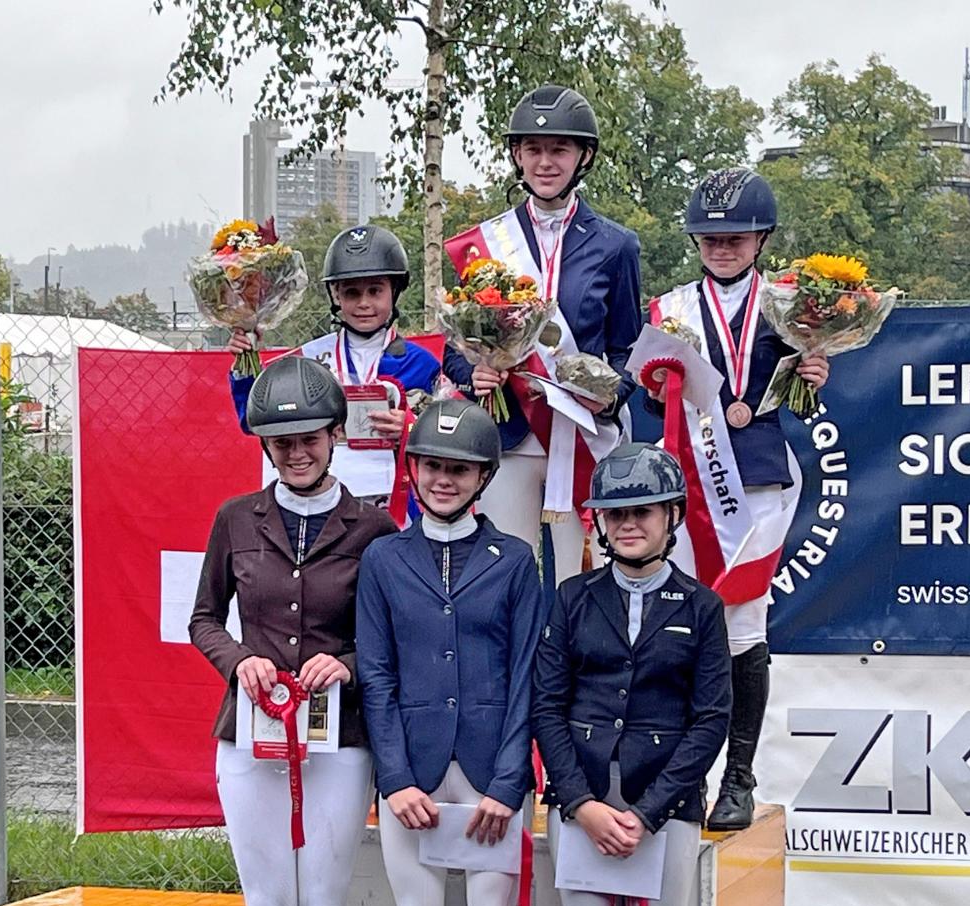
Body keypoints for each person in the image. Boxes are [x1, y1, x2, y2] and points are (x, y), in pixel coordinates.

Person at [189, 354, 397, 906]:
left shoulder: (374, 529)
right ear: (265, 448)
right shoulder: (235, 520)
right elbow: (203, 618)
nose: (296, 453)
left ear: (335, 437)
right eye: (280, 443)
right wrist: (237, 656)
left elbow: (383, 637)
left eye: (308, 438)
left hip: (337, 746)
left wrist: (342, 661)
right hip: (251, 742)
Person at [531, 443, 730, 906]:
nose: (626, 525)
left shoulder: (701, 608)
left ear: (670, 516)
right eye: (614, 514)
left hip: (662, 808)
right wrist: (580, 804)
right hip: (583, 803)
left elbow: (709, 719)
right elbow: (547, 706)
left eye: (640, 511)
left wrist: (644, 814)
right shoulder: (573, 598)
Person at [357, 398, 545, 906]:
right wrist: (394, 778)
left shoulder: (516, 561)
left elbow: (533, 671)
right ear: (413, 469)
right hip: (414, 781)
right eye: (431, 465)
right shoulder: (383, 560)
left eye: (457, 468)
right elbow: (373, 671)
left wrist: (509, 784)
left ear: (481, 476)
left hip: (489, 778)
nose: (442, 479)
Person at [640, 167, 829, 832]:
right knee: (686, 627)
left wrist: (814, 370)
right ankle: (682, 772)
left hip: (757, 480)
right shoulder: (669, 308)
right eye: (709, 236)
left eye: (736, 236)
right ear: (695, 240)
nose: (721, 246)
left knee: (745, 628)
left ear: (760, 239)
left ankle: (741, 777)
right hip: (688, 487)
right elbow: (646, 391)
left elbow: (807, 394)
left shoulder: (791, 302)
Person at [444, 84, 642, 584]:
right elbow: (455, 349)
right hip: (509, 435)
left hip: (583, 438)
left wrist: (609, 395)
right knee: (499, 581)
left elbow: (628, 349)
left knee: (588, 584)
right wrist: (477, 372)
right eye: (533, 149)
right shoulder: (484, 245)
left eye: (560, 149)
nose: (546, 161)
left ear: (584, 156)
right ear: (517, 155)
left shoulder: (617, 245)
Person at [229, 223, 442, 518]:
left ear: (395, 291)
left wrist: (410, 427)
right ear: (336, 297)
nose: (364, 303)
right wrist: (245, 361)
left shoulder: (423, 364)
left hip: (399, 508)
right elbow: (252, 421)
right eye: (352, 293)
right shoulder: (309, 359)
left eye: (375, 291)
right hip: (326, 504)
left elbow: (445, 440)